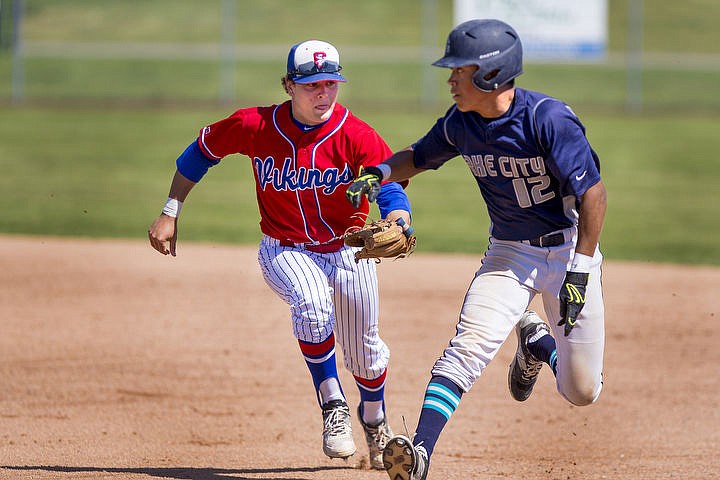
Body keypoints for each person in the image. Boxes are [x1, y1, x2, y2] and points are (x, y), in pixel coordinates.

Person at [346, 19, 607, 480]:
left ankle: (537, 343)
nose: (449, 79)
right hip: (510, 254)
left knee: (581, 391)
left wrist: (581, 271)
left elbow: (593, 196)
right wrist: (380, 173)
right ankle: (420, 453)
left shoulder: (547, 119)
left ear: (489, 74)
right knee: (467, 348)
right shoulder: (460, 124)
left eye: (458, 70)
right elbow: (418, 155)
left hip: (569, 252)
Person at [148, 39, 412, 469]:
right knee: (311, 304)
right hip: (283, 248)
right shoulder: (253, 125)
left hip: (348, 253)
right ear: (289, 85)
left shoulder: (355, 134)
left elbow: (389, 184)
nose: (323, 93)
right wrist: (170, 210)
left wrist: (399, 218)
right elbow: (200, 153)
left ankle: (375, 420)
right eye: (311, 85)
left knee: (365, 352)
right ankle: (334, 407)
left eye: (330, 83)